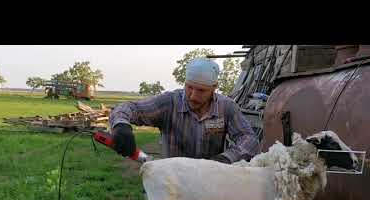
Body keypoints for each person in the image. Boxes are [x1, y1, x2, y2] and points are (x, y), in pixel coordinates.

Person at [109, 57, 260, 164]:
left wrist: (226, 158)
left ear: (214, 87)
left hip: (211, 179)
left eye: (201, 90)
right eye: (189, 87)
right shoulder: (169, 103)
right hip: (173, 182)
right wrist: (120, 125)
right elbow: (129, 108)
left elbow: (249, 139)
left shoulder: (227, 107)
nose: (193, 96)